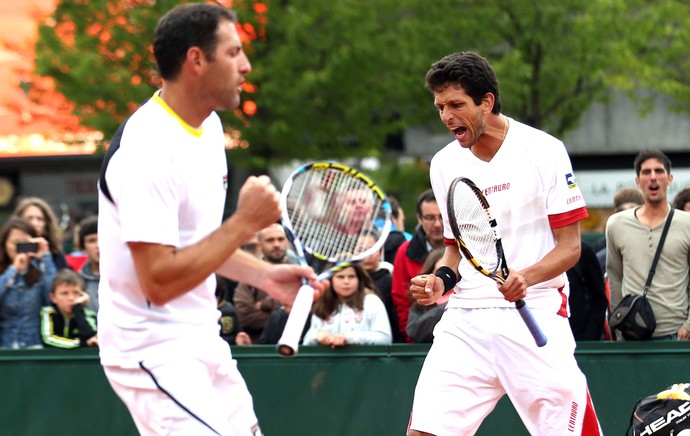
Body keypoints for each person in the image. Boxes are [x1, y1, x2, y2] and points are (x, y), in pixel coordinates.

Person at [96, 4, 326, 435]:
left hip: (200, 337)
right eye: (234, 52)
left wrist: (265, 275)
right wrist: (244, 222)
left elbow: (199, 245)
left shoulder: (211, 127)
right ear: (197, 60)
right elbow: (159, 280)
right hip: (151, 345)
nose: (246, 65)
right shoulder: (147, 152)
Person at [407, 51, 601, 435]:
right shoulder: (444, 164)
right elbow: (454, 251)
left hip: (535, 313)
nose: (446, 117)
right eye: (440, 107)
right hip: (465, 323)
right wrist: (440, 281)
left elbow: (570, 248)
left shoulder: (544, 150)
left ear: (487, 102)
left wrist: (526, 277)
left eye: (456, 105)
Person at [606, 149, 690, 341]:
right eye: (646, 172)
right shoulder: (616, 225)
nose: (653, 177)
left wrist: (689, 325)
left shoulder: (687, 224)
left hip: (677, 334)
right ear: (638, 181)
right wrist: (618, 325)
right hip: (632, 334)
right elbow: (615, 278)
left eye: (659, 171)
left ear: (669, 179)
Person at [391, 189, 444, 342]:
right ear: (419, 219)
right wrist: (412, 341)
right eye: (429, 218)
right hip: (418, 338)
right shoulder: (405, 251)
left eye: (441, 217)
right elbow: (401, 302)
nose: (437, 224)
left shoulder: (465, 249)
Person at [0, 217, 57, 349]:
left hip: (34, 345)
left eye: (24, 243)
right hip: (4, 346)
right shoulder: (5, 273)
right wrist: (13, 270)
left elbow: (53, 299)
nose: (19, 248)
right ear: (4, 245)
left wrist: (45, 257)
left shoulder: (41, 271)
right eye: (15, 243)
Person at [303, 264, 392, 347]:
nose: (346, 281)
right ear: (330, 279)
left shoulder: (371, 301)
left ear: (359, 279)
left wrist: (348, 338)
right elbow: (306, 341)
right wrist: (317, 336)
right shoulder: (322, 303)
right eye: (340, 277)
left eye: (351, 277)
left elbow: (384, 338)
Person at [233, 223, 291, 342]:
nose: (276, 244)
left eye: (280, 239)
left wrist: (265, 305)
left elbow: (309, 313)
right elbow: (244, 316)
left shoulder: (300, 273)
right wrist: (282, 314)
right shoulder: (249, 275)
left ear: (287, 242)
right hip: (259, 346)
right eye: (270, 240)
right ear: (259, 245)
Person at [358, 231, 402, 342]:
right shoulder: (344, 280)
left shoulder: (390, 279)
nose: (367, 255)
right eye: (361, 250)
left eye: (371, 249)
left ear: (380, 252)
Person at [40, 268, 98, 348]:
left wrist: (78, 308)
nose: (71, 298)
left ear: (83, 295)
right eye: (64, 293)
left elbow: (89, 335)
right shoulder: (48, 312)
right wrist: (81, 343)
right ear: (53, 297)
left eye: (76, 293)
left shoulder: (89, 314)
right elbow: (48, 338)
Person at [594, 187, 644, 272]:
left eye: (632, 211)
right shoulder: (602, 249)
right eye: (621, 212)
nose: (626, 217)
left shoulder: (653, 244)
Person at [567, 239, 608, 341]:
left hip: (580, 342)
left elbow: (599, 299)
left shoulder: (582, 251)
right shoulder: (533, 251)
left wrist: (588, 339)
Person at [12, 196, 69, 270]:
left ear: (47, 223)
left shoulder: (55, 253)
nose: (34, 223)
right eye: (29, 218)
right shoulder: (9, 249)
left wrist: (46, 259)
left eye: (40, 219)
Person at [405, 248, 449, 343]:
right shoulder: (420, 304)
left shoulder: (470, 300)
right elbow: (414, 332)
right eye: (440, 272)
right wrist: (447, 306)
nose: (445, 277)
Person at [76, 215, 100, 313]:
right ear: (83, 248)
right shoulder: (78, 281)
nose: (98, 245)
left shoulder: (126, 277)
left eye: (102, 238)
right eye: (92, 241)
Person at [383, 196, 412, 263]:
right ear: (393, 219)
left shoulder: (368, 237)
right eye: (402, 220)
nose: (403, 226)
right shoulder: (408, 239)